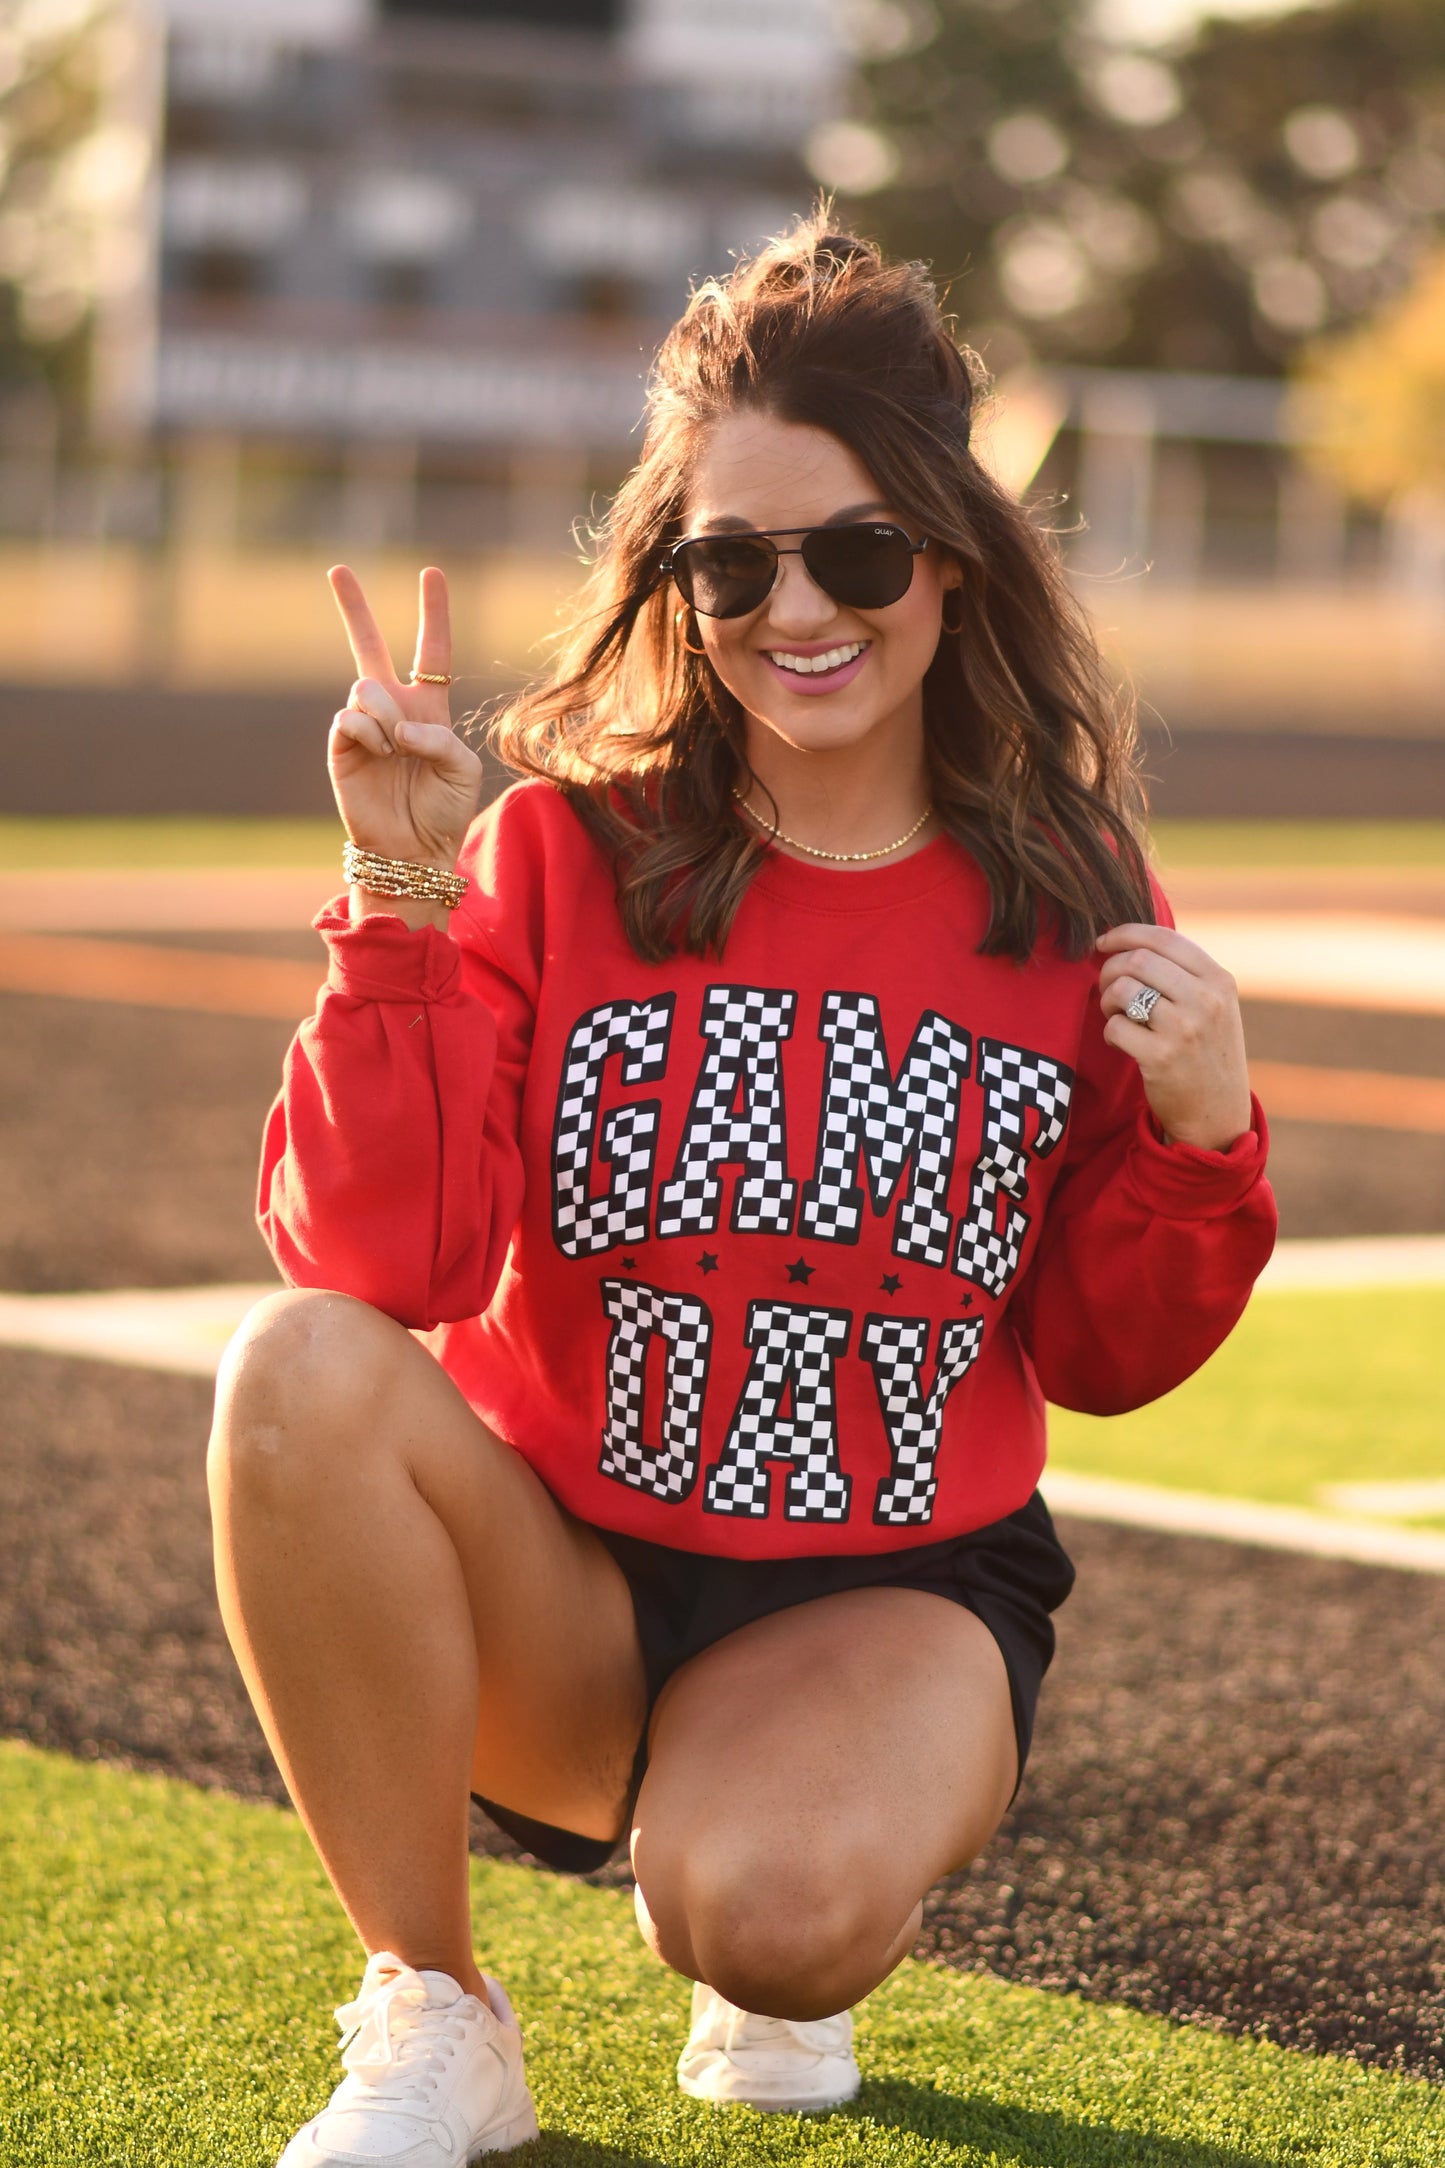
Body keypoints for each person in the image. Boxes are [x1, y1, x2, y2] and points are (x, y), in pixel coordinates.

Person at [207, 217, 1276, 2166]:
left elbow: (1107, 1356)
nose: (800, 607)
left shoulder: (1072, 885)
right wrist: (401, 898)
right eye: (732, 562)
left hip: (892, 1588)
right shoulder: (557, 854)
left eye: (857, 550)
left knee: (767, 1927)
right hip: (577, 1584)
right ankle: (437, 2009)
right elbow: (387, 1263)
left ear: (950, 554)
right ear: (674, 580)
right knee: (291, 1367)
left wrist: (1203, 1138)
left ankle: (773, 1857)